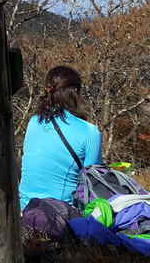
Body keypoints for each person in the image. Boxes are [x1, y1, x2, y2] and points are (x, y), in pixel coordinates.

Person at [19, 65, 102, 210]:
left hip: (25, 209)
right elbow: (93, 183)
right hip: (63, 216)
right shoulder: (90, 132)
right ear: (75, 93)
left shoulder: (34, 122)